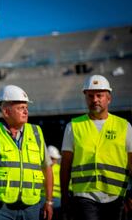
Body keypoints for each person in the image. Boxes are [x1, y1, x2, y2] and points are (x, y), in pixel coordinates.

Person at [60, 74, 132, 220]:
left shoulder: (124, 126)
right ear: (85, 98)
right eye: (90, 96)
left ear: (109, 98)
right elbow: (65, 165)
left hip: (116, 196)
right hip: (84, 196)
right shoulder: (73, 126)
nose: (95, 100)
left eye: (99, 95)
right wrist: (64, 196)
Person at [0, 85, 53, 220]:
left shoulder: (36, 132)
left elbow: (46, 168)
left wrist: (49, 201)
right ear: (6, 112)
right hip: (0, 207)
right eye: (20, 108)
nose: (25, 112)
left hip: (32, 206)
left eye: (26, 108)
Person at [41, 145, 62, 220]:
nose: (54, 161)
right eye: (52, 158)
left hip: (58, 200)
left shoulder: (60, 168)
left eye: (55, 159)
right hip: (43, 198)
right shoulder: (41, 168)